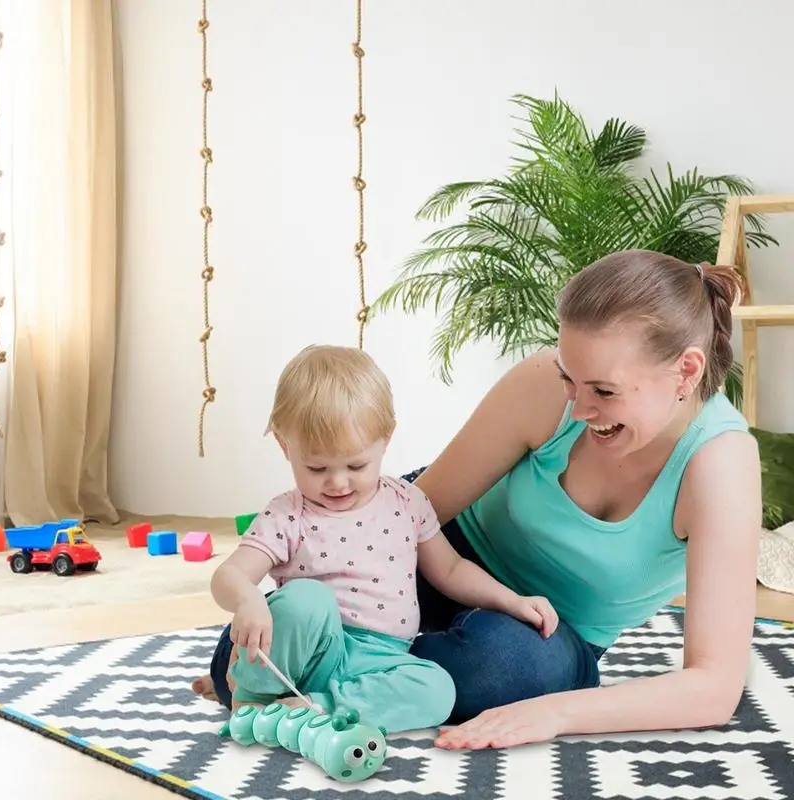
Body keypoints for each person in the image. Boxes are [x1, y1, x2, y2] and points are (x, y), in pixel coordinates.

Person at [194, 248, 762, 751]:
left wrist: (555, 712)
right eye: (570, 378)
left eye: (604, 392)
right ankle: (344, 680)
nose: (579, 408)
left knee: (509, 670)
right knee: (248, 650)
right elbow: (415, 513)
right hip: (430, 550)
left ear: (686, 370)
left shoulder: (719, 466)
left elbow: (714, 688)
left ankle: (328, 685)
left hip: (541, 629)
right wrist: (331, 594)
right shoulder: (545, 385)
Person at [195, 344, 560, 734]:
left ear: (386, 439)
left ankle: (320, 708)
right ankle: (256, 700)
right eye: (316, 468)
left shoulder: (407, 502)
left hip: (381, 659)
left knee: (438, 690)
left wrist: (514, 601)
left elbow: (451, 571)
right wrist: (248, 598)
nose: (337, 482)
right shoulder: (288, 515)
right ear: (286, 447)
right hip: (312, 652)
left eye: (356, 465)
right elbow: (228, 575)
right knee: (305, 598)